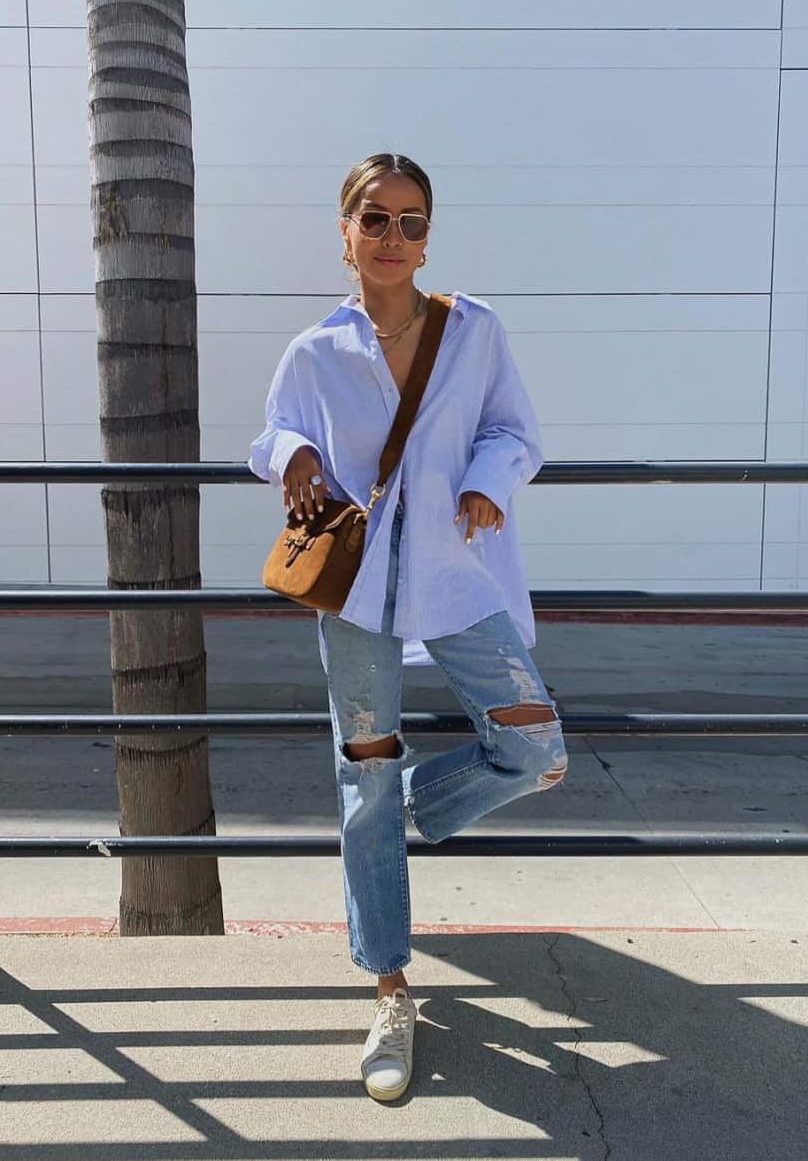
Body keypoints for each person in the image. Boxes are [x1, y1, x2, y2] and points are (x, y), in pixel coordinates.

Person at [247, 152, 569, 1102]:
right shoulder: (315, 350)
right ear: (343, 231)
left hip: (460, 580)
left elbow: (517, 433)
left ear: (431, 235)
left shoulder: (473, 332)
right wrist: (295, 448)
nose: (394, 238)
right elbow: (269, 431)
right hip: (353, 596)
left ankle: (400, 819)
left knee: (535, 749)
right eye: (375, 219)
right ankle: (390, 989)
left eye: (412, 221)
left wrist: (486, 480)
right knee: (365, 770)